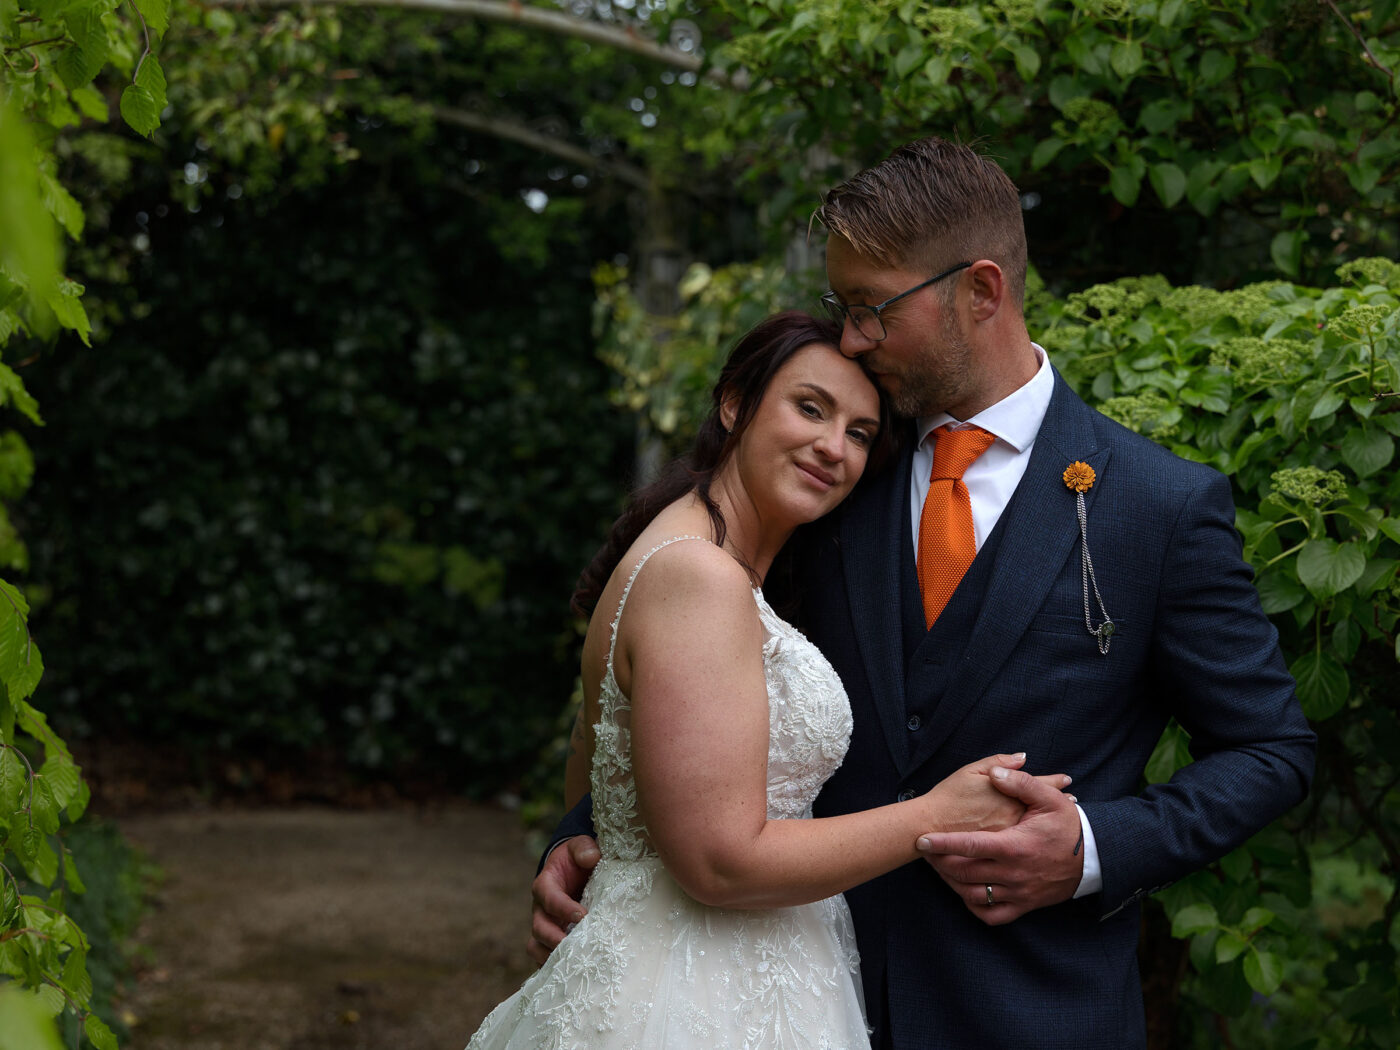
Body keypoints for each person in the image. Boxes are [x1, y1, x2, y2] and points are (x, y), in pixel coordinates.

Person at [531, 140, 1317, 1049]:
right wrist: (589, 834)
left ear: (980, 291)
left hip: (1035, 1010)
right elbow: (689, 680)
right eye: (843, 309)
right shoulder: (836, 474)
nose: (853, 338)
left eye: (872, 309)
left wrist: (1093, 849)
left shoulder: (1158, 506)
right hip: (790, 998)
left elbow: (1270, 747)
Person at [466, 311, 1072, 1050]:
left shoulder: (715, 563)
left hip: (753, 974)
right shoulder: (698, 575)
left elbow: (587, 767)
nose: (832, 446)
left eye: (858, 432)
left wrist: (593, 850)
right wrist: (936, 815)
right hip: (691, 993)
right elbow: (720, 862)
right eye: (810, 407)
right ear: (734, 404)